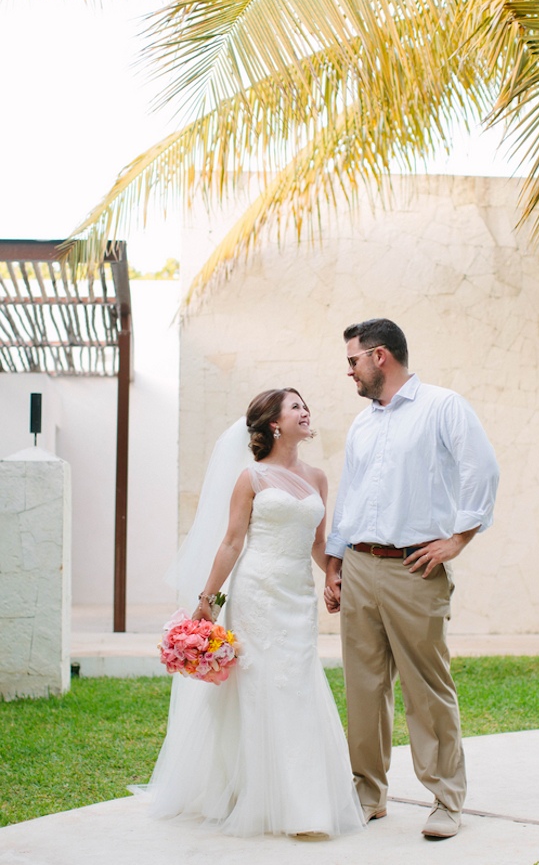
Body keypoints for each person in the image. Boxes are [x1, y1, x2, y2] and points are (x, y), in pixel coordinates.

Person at [144, 388, 364, 838]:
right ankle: (255, 794)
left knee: (297, 685)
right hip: (257, 593)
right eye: (296, 407)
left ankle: (304, 802)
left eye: (306, 406)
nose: (306, 412)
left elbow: (320, 544)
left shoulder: (318, 478)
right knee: (260, 687)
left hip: (297, 595)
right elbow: (231, 542)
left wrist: (332, 576)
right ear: (273, 424)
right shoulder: (251, 477)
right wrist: (207, 599)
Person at [324, 319, 499, 840]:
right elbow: (350, 495)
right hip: (358, 565)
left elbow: (482, 471)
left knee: (427, 689)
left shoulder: (443, 406)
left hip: (414, 569)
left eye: (353, 361)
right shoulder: (363, 423)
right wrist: (334, 565)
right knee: (363, 687)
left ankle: (446, 798)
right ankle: (368, 793)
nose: (349, 372)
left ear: (380, 356)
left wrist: (457, 540)